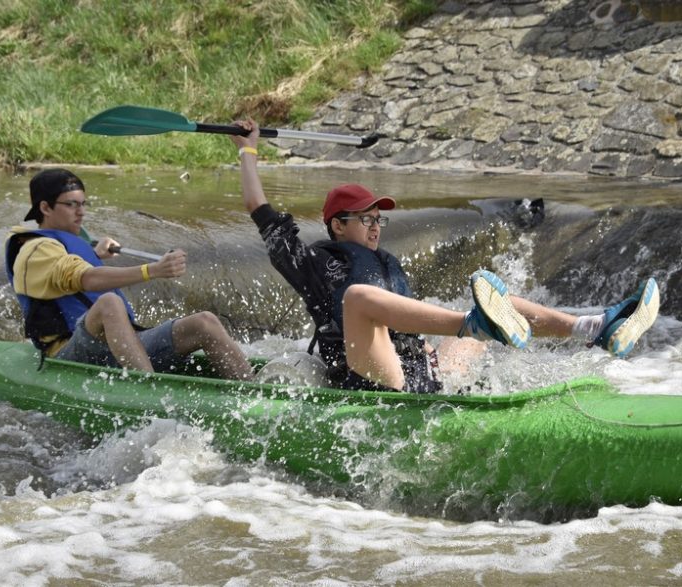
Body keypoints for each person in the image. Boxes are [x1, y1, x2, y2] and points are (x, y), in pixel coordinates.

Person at [229, 120, 659, 393]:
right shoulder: (308, 262)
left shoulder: (385, 262)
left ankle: (594, 326)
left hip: (420, 371)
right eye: (365, 219)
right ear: (337, 225)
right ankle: (475, 324)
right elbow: (258, 209)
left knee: (491, 293)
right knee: (359, 297)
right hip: (367, 374)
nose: (376, 226)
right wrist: (247, 150)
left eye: (380, 219)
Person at [5, 168, 253, 380]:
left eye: (83, 204)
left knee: (205, 322)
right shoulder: (35, 250)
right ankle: (148, 394)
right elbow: (86, 279)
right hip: (70, 353)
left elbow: (70, 264)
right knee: (109, 303)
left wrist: (95, 252)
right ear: (45, 207)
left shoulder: (63, 242)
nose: (81, 212)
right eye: (71, 204)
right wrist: (152, 270)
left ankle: (254, 393)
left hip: (116, 344)